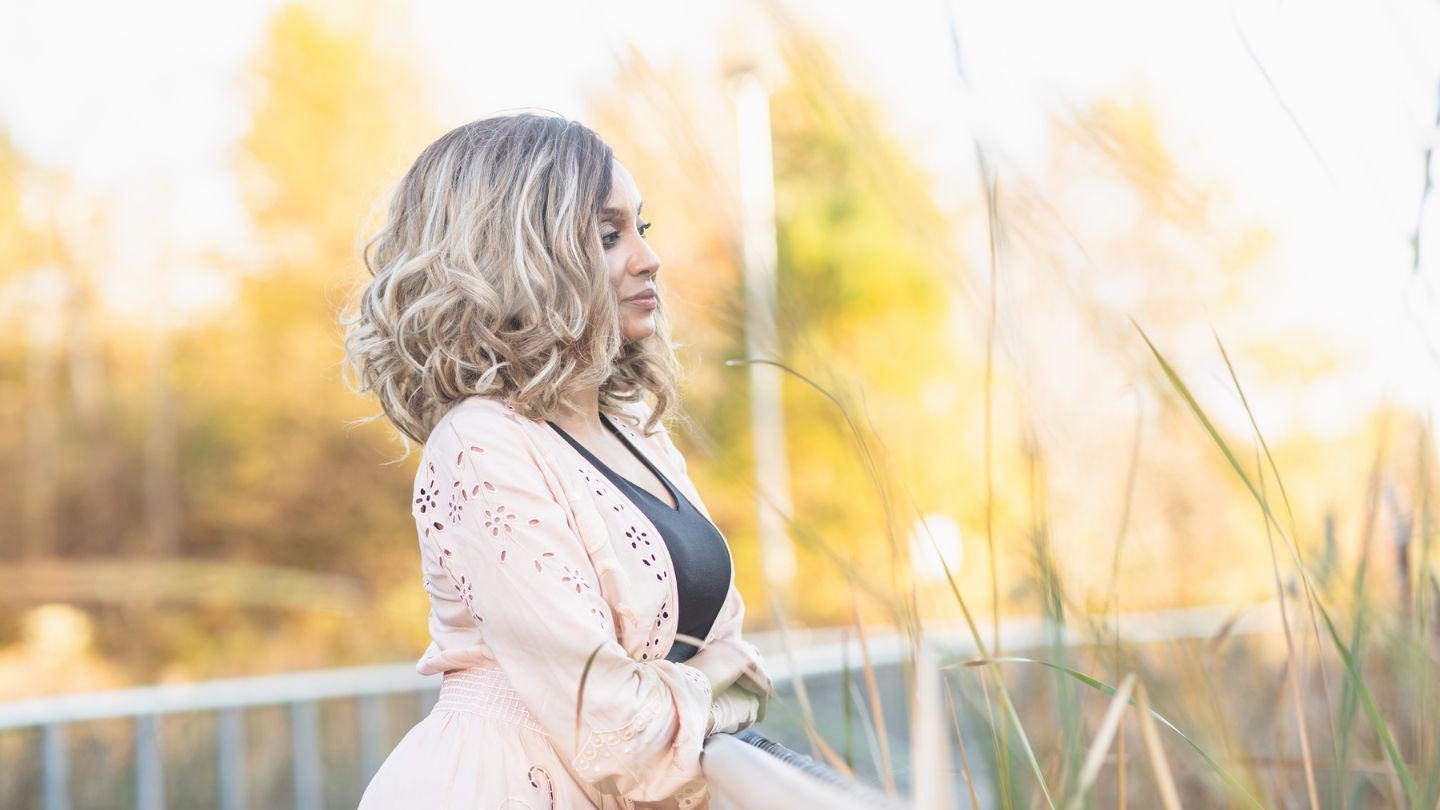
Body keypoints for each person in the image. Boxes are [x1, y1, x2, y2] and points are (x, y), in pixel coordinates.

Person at [342, 112, 774, 809]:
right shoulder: (480, 446)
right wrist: (710, 689)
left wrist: (698, 691)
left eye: (642, 228)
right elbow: (620, 734)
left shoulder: (638, 435)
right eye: (609, 236)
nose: (647, 257)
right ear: (519, 257)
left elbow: (742, 676)